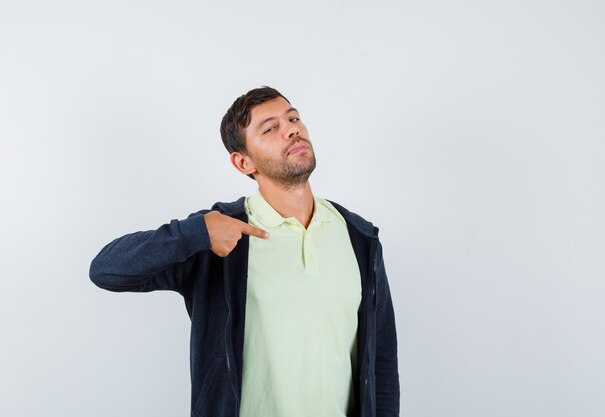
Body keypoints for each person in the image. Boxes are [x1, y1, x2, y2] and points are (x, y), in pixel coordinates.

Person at [89, 86, 400, 417]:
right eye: (270, 128)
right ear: (243, 162)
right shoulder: (218, 237)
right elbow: (107, 269)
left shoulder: (359, 237)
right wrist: (194, 234)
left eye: (293, 118)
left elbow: (380, 362)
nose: (291, 129)